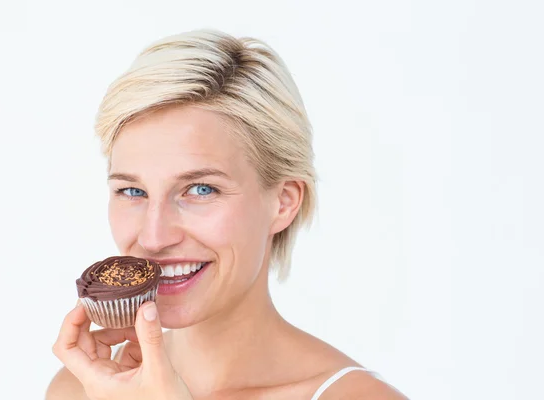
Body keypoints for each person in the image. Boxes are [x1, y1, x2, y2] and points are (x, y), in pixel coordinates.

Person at [48, 29, 407, 400]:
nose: (154, 238)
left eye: (201, 189)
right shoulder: (83, 389)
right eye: (132, 191)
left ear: (283, 202)